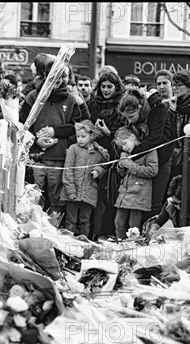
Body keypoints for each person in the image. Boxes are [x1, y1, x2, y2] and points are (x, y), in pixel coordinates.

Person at [20, 59, 90, 218]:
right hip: (36, 156)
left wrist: (55, 131)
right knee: (33, 194)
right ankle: (32, 226)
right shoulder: (33, 97)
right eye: (53, 78)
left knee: (56, 195)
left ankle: (54, 226)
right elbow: (22, 123)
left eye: (60, 78)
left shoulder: (70, 100)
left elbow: (76, 125)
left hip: (58, 156)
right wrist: (35, 139)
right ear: (45, 76)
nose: (57, 82)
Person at [121, 89, 175, 223]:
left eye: (131, 117)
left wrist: (132, 154)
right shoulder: (136, 117)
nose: (129, 121)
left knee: (155, 200)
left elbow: (155, 138)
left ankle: (152, 232)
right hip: (142, 156)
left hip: (161, 157)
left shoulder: (158, 109)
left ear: (139, 108)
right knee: (139, 201)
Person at [86, 71, 125, 239]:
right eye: (103, 86)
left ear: (116, 87)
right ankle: (92, 232)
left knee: (108, 196)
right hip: (94, 150)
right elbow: (85, 123)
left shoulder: (120, 104)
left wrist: (108, 132)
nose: (106, 90)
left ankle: (105, 232)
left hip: (112, 153)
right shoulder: (93, 104)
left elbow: (124, 132)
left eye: (110, 86)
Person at [60, 120, 109, 237]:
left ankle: (84, 244)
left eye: (83, 136)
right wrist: (70, 191)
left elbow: (106, 165)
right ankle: (68, 244)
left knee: (85, 220)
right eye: (77, 136)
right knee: (70, 220)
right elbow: (68, 169)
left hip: (89, 192)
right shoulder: (73, 149)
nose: (79, 139)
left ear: (92, 135)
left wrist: (98, 171)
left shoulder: (99, 151)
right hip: (72, 191)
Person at [113, 126, 159, 239]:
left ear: (132, 137)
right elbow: (121, 174)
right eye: (121, 146)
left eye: (124, 143)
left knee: (133, 226)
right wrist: (120, 165)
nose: (124, 148)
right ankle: (120, 244)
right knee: (118, 222)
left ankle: (133, 246)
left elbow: (153, 170)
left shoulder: (150, 150)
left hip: (139, 193)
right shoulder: (126, 153)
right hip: (125, 192)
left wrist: (131, 165)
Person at [146, 175, 190, 239]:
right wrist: (154, 229)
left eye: (180, 202)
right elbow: (160, 220)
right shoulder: (170, 201)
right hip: (181, 235)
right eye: (175, 200)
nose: (177, 204)